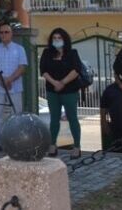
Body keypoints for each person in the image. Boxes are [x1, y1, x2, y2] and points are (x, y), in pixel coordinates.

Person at [39, 28, 83, 158]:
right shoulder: (47, 53)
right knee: (54, 119)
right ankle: (52, 145)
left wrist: (62, 83)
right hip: (52, 91)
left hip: (70, 91)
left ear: (65, 39)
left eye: (59, 38)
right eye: (54, 38)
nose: (56, 40)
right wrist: (55, 83)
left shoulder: (72, 53)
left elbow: (76, 70)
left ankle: (77, 146)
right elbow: (43, 70)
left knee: (72, 118)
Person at [0, 20, 27, 152]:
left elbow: (22, 67)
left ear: (11, 34)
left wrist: (9, 79)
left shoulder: (19, 49)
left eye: (6, 32)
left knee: (16, 114)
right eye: (1, 32)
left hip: (15, 86)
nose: (4, 34)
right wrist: (1, 80)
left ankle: (16, 141)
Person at [99, 76, 122, 154]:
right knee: (117, 154)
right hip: (116, 129)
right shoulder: (109, 90)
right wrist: (104, 124)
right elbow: (103, 109)